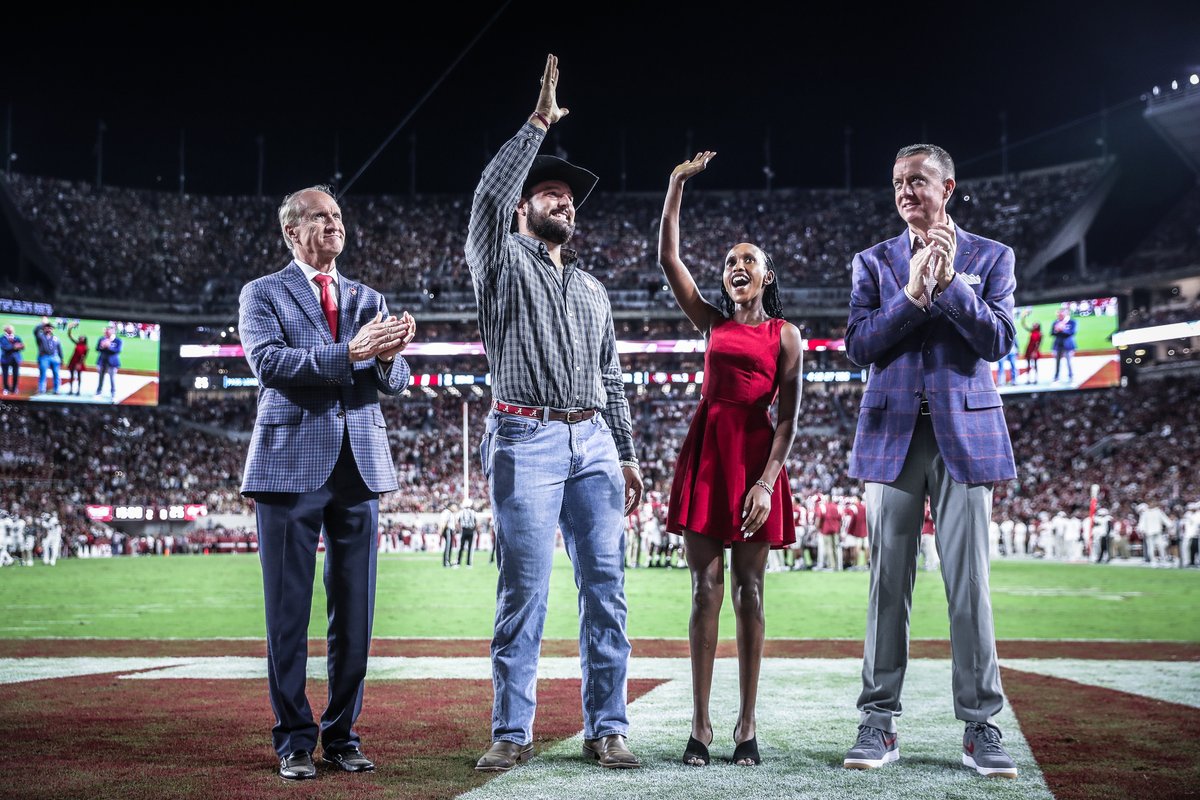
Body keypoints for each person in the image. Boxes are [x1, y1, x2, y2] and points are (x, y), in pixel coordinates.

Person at [465, 54, 643, 773]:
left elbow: (613, 376)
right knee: (524, 593)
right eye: (548, 194)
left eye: (569, 199)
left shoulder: (594, 290)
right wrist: (538, 122)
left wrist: (627, 451)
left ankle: (609, 727)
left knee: (607, 594)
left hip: (594, 441)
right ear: (523, 208)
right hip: (524, 435)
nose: (563, 203)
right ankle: (512, 731)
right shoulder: (499, 260)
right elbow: (484, 199)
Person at [842, 143, 1019, 779]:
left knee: (968, 588)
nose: (905, 192)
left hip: (964, 440)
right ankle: (878, 720)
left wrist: (948, 288)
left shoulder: (992, 257)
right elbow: (859, 344)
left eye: (917, 181)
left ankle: (980, 727)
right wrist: (911, 298)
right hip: (891, 436)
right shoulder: (873, 262)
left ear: (948, 187)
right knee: (887, 586)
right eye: (897, 182)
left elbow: (998, 340)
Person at [238, 184, 416, 781]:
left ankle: (341, 734)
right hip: (288, 468)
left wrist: (391, 356)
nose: (334, 223)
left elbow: (396, 382)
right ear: (292, 231)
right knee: (288, 615)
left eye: (338, 215)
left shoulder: (369, 296)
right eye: (321, 216)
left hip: (357, 468)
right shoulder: (262, 293)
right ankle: (293, 738)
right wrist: (351, 352)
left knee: (356, 615)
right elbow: (269, 364)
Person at [658, 150, 802, 768]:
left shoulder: (786, 335)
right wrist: (674, 186)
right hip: (708, 454)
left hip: (754, 458)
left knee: (750, 591)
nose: (737, 266)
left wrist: (767, 483)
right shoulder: (711, 323)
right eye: (729, 262)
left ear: (766, 276)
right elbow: (669, 258)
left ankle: (747, 725)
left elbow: (789, 419)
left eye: (748, 261)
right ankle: (701, 725)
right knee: (703, 590)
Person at [34, 322, 63, 395]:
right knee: (43, 373)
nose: (49, 329)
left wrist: (61, 358)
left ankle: (57, 390)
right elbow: (35, 331)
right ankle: (41, 389)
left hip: (55, 357)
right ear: (44, 328)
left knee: (56, 374)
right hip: (44, 357)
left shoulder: (56, 338)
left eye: (50, 328)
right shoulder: (40, 337)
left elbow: (59, 349)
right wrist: (42, 324)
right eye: (47, 328)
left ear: (52, 329)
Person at [94, 326, 122, 400]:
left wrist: (108, 347)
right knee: (101, 378)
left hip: (112, 363)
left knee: (112, 379)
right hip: (102, 361)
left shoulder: (118, 340)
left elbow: (117, 350)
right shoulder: (102, 339)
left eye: (108, 331)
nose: (106, 333)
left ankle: (113, 393)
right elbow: (97, 349)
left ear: (112, 332)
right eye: (106, 331)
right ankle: (98, 392)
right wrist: (102, 346)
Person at [1049, 307, 1076, 384]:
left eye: (1061, 314)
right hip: (1058, 345)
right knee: (1057, 362)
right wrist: (1057, 330)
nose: (1059, 315)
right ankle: (1056, 376)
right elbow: (1052, 333)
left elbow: (1072, 332)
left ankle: (1071, 376)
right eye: (1059, 314)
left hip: (1068, 345)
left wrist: (1062, 329)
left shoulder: (1072, 322)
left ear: (1066, 314)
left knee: (1069, 362)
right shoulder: (1055, 322)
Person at [1019, 310, 1042, 384]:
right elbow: (1024, 325)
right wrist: (1023, 317)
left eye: (1035, 324)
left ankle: (1036, 379)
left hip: (1034, 350)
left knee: (1035, 364)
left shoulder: (1040, 333)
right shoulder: (1032, 331)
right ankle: (1028, 379)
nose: (1033, 325)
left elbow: (1039, 343)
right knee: (1028, 364)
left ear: (1038, 326)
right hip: (1029, 348)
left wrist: (1035, 352)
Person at [66, 324, 89, 396]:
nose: (80, 338)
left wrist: (79, 363)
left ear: (84, 339)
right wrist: (70, 329)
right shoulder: (77, 343)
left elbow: (84, 356)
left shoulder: (86, 347)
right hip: (73, 360)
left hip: (79, 362)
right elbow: (70, 336)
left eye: (82, 338)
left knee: (79, 376)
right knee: (72, 376)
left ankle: (78, 391)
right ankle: (71, 390)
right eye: (80, 337)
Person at [0, 324, 24, 395]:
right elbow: (5, 348)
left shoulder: (17, 337)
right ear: (6, 330)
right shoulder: (2, 338)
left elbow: (22, 347)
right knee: (5, 375)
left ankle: (14, 388)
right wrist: (15, 347)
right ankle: (6, 388)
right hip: (5, 359)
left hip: (16, 359)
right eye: (9, 329)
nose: (11, 330)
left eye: (12, 329)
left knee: (16, 374)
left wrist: (20, 346)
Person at [456, 499, 478, 567]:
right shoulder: (473, 512)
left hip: (464, 530)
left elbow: (457, 522)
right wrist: (474, 529)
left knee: (461, 547)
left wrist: (459, 530)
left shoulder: (461, 512)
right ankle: (468, 563)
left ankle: (458, 562)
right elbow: (476, 523)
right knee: (470, 548)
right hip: (471, 531)